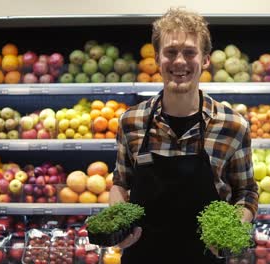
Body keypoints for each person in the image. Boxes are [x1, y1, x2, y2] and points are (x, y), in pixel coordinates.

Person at [110, 7, 259, 264]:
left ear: (205, 60)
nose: (179, 61)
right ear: (157, 59)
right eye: (170, 52)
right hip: (143, 256)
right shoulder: (131, 122)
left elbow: (246, 192)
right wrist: (119, 224)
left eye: (189, 52)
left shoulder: (233, 126)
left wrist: (231, 232)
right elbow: (120, 183)